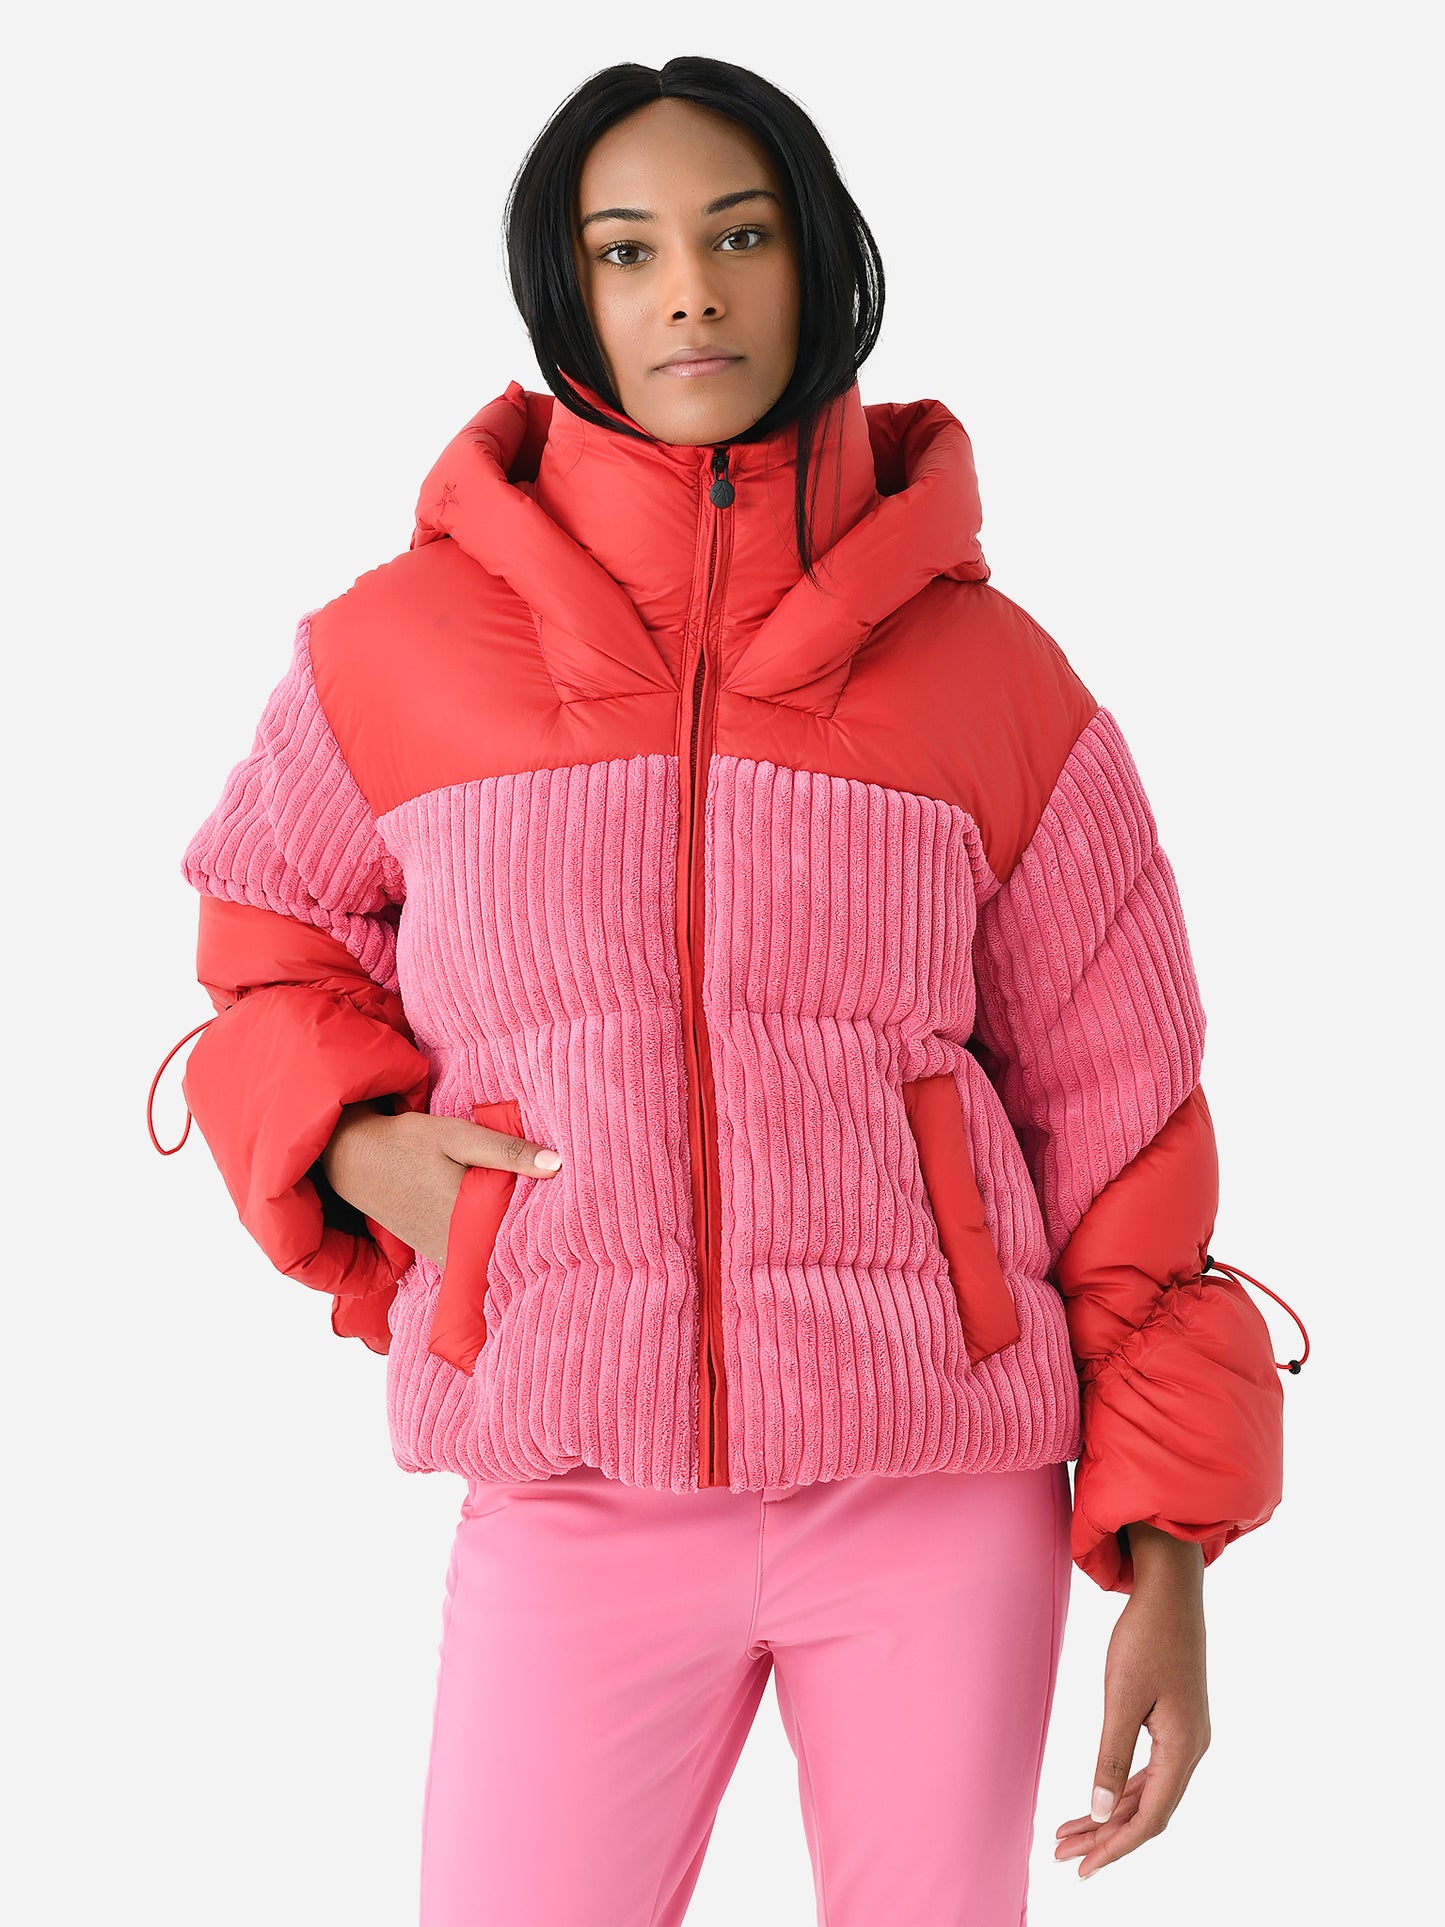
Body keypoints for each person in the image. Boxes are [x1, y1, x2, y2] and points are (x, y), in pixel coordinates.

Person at [148, 55, 1307, 1927]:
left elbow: (1121, 1125)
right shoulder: (391, 652)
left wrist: (1167, 1547)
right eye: (627, 250)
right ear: (567, 293)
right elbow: (265, 943)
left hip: (936, 1486)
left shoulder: (993, 678)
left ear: (818, 261)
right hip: (571, 1479)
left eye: (739, 235)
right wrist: (357, 1148)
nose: (688, 290)